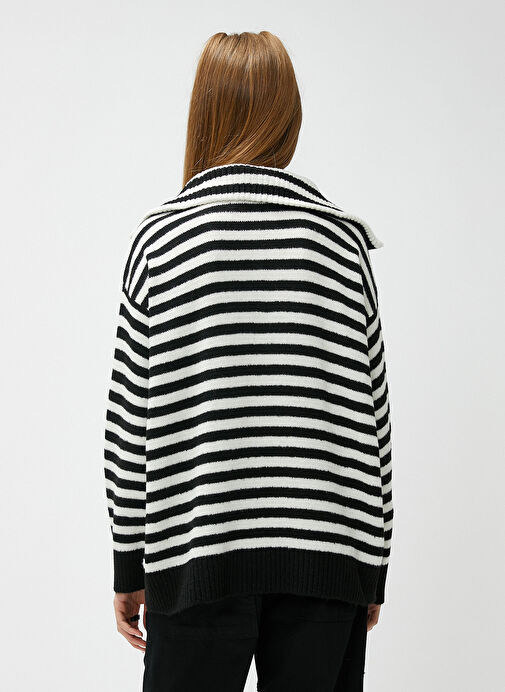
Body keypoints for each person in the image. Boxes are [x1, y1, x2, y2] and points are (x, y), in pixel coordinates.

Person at [103, 30, 393, 692]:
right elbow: (373, 419)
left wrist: (129, 563)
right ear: (288, 116)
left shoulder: (161, 241)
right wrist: (370, 567)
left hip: (195, 556)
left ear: (204, 112)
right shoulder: (340, 243)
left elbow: (128, 423)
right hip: (327, 558)